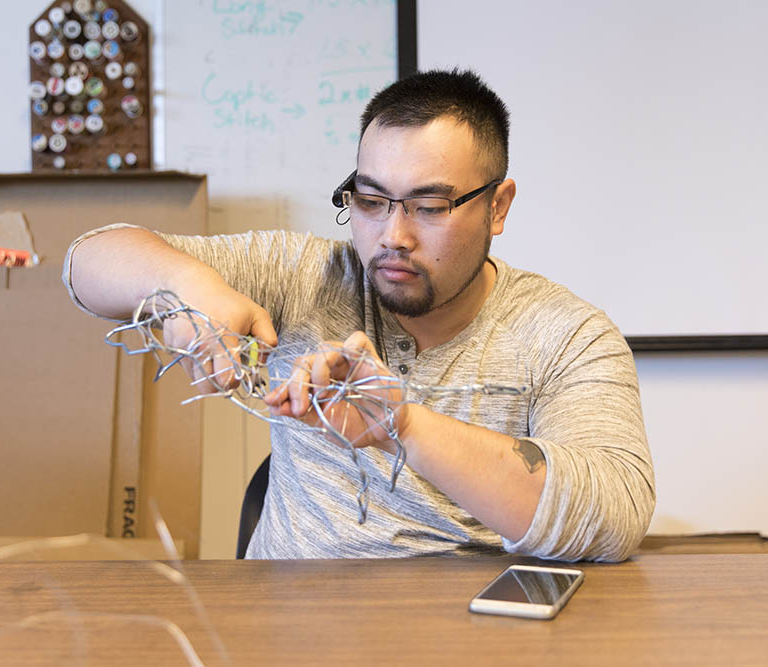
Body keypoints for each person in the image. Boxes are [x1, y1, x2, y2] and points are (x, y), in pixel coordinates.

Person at [64, 69, 654, 562]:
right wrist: (184, 284)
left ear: (497, 207)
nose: (392, 237)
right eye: (369, 201)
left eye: (429, 206)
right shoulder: (304, 275)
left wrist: (404, 426)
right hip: (283, 631)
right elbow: (86, 260)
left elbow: (614, 514)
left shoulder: (567, 334)